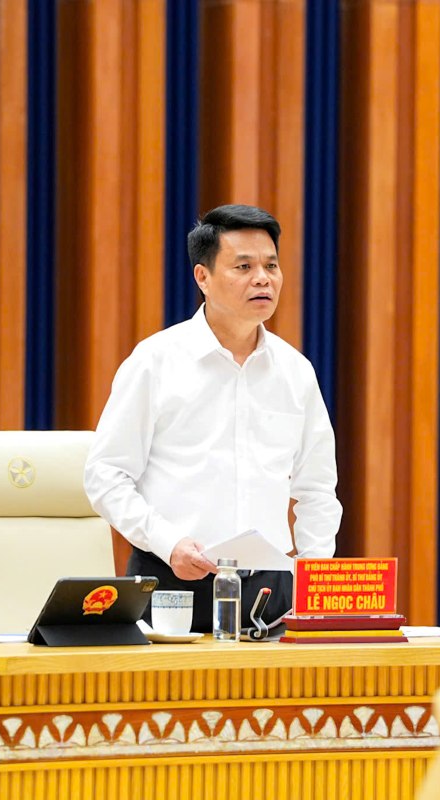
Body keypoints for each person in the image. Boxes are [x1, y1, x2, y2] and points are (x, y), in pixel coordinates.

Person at [84, 204, 342, 633]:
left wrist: (313, 579)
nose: (263, 278)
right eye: (243, 266)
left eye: (271, 265)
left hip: (271, 594)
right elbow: (106, 475)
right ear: (202, 277)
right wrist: (169, 543)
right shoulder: (155, 361)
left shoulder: (295, 371)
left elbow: (317, 489)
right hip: (173, 583)